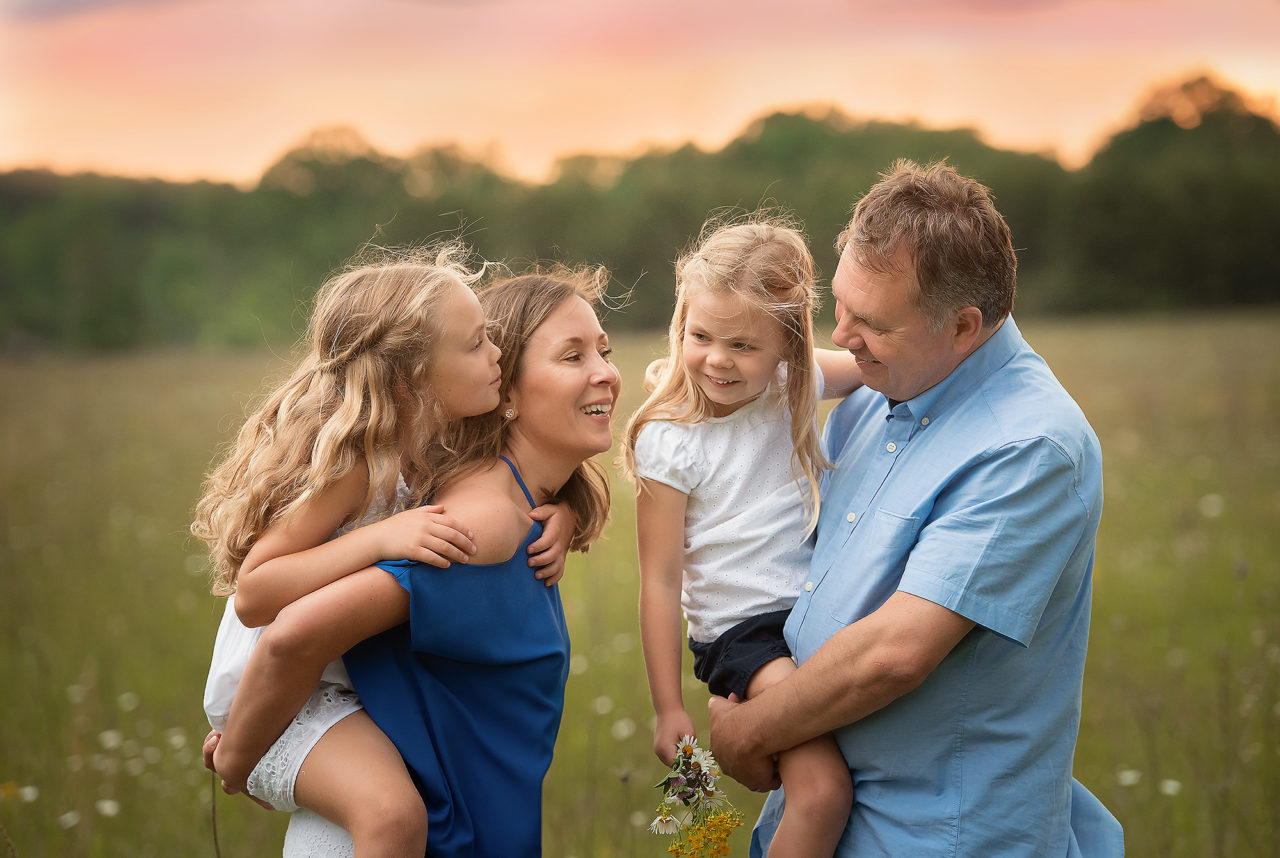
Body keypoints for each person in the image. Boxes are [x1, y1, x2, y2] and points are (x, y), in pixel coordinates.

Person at [707, 161, 1124, 857]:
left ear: (964, 326)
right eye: (838, 305)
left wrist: (749, 733)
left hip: (936, 835)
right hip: (816, 824)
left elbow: (894, 655)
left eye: (871, 322)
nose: (841, 336)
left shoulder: (1030, 445)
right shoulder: (878, 394)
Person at [209, 267, 621, 857]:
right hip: (278, 700)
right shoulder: (361, 466)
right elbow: (257, 601)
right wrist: (236, 757)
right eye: (478, 344)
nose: (495, 355)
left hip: (332, 691)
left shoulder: (428, 452)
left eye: (603, 351)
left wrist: (566, 512)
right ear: (414, 376)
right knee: (393, 816)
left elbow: (505, 478)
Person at [621, 217, 862, 858]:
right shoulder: (669, 439)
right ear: (681, 326)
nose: (718, 360)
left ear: (787, 345)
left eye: (743, 346)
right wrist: (667, 706)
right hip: (744, 632)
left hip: (817, 611)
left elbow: (877, 363)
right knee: (821, 791)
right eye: (700, 336)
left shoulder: (795, 385)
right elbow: (659, 579)